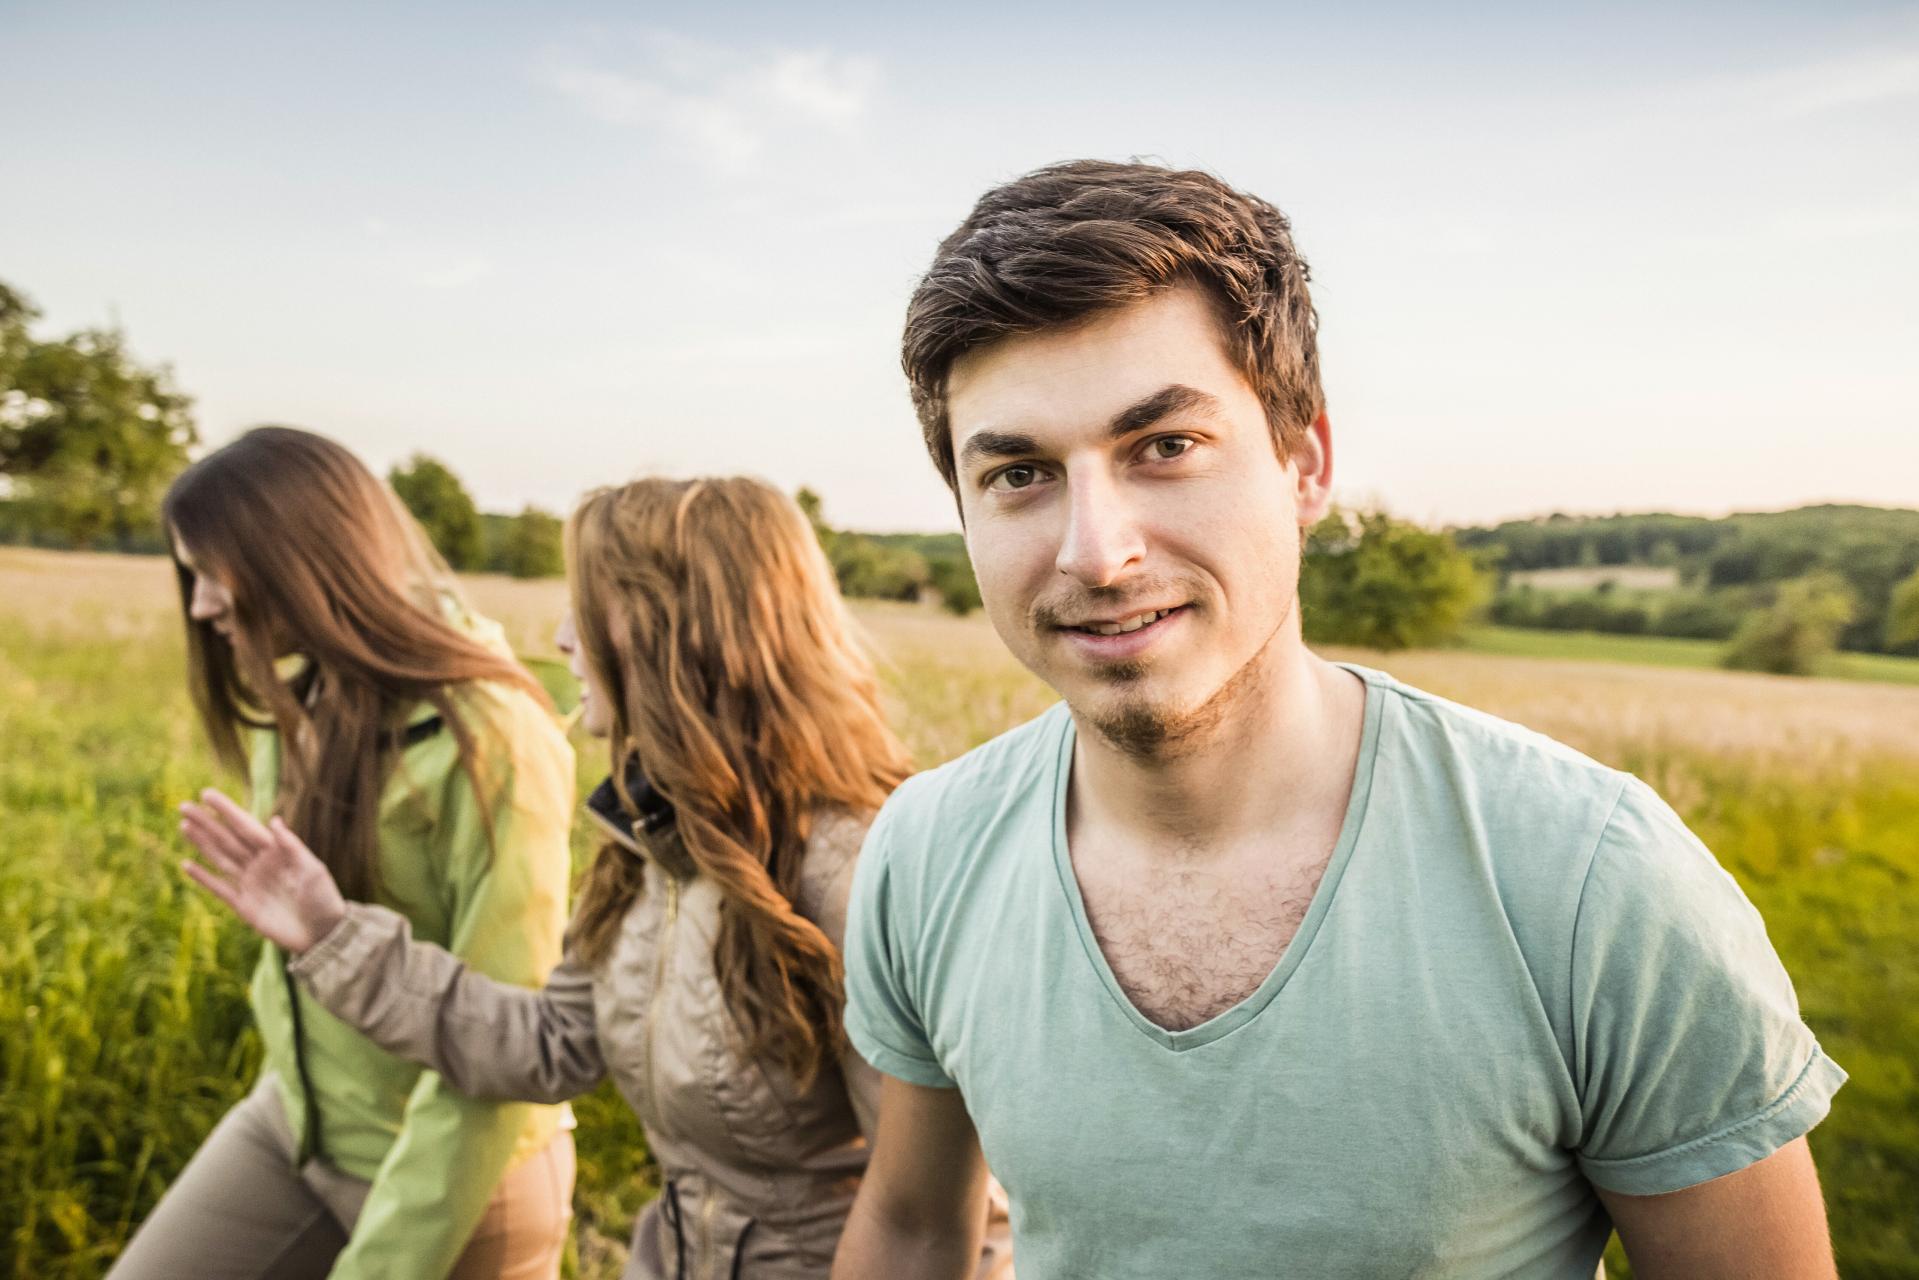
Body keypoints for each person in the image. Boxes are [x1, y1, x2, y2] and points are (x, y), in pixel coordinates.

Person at [831, 160, 1847, 1280]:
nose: (1094, 551)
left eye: (1163, 446)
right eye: (1019, 472)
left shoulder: (1591, 880)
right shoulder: (924, 850)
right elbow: (916, 1228)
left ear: (1302, 460)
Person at [178, 476, 1012, 1280]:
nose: (562, 641)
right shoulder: (651, 843)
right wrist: (333, 935)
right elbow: (551, 1046)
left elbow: (955, 1224)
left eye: (589, 609)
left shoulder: (855, 869)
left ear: (675, 628)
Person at [115, 426, 577, 1280]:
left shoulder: (495, 740)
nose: (202, 607)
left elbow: (502, 1050)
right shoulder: (298, 695)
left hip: (460, 1176)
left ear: (300, 559)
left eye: (214, 575)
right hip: (292, 1128)